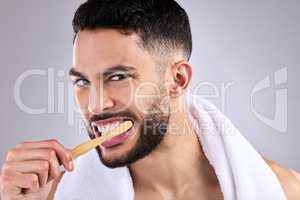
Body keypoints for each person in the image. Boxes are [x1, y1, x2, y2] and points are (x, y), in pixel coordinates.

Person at [0, 0, 299, 199]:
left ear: (178, 80)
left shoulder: (283, 191)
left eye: (117, 77)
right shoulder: (52, 195)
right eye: (82, 81)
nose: (94, 105)